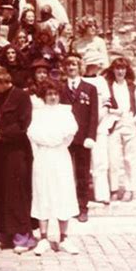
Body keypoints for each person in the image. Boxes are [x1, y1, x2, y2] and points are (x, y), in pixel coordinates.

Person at [0, 65, 35, 254]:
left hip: (16, 152)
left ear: (4, 80)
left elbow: (24, 125)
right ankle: (5, 234)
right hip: (0, 153)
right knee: (0, 192)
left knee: (16, 194)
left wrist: (1, 135)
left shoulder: (21, 96)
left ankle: (23, 236)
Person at [28, 76, 80, 256]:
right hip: (43, 156)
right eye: (49, 94)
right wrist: (48, 141)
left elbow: (69, 134)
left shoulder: (66, 112)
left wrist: (55, 140)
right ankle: (43, 238)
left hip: (60, 155)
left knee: (63, 192)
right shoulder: (37, 113)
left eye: (55, 93)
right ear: (43, 95)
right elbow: (34, 134)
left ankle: (64, 237)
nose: (52, 97)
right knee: (43, 193)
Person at [59, 55, 99, 223]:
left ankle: (83, 206)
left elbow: (93, 115)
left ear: (80, 67)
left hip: (83, 138)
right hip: (65, 139)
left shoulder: (89, 88)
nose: (71, 67)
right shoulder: (60, 89)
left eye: (74, 64)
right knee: (65, 173)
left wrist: (90, 136)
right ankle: (67, 206)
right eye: (68, 64)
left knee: (82, 173)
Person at [103, 56, 136, 202]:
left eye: (123, 68)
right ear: (113, 70)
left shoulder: (132, 87)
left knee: (130, 158)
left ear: (127, 70)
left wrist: (135, 120)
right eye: (117, 68)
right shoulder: (108, 86)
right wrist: (112, 113)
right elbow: (105, 105)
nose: (120, 71)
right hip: (114, 124)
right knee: (113, 159)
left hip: (129, 122)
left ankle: (129, 189)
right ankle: (114, 189)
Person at [82, 51, 111, 204]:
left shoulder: (102, 81)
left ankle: (102, 194)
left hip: (99, 126)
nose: (96, 67)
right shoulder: (80, 81)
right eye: (93, 64)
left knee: (100, 161)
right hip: (83, 127)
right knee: (82, 163)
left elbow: (107, 102)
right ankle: (83, 195)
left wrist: (98, 118)